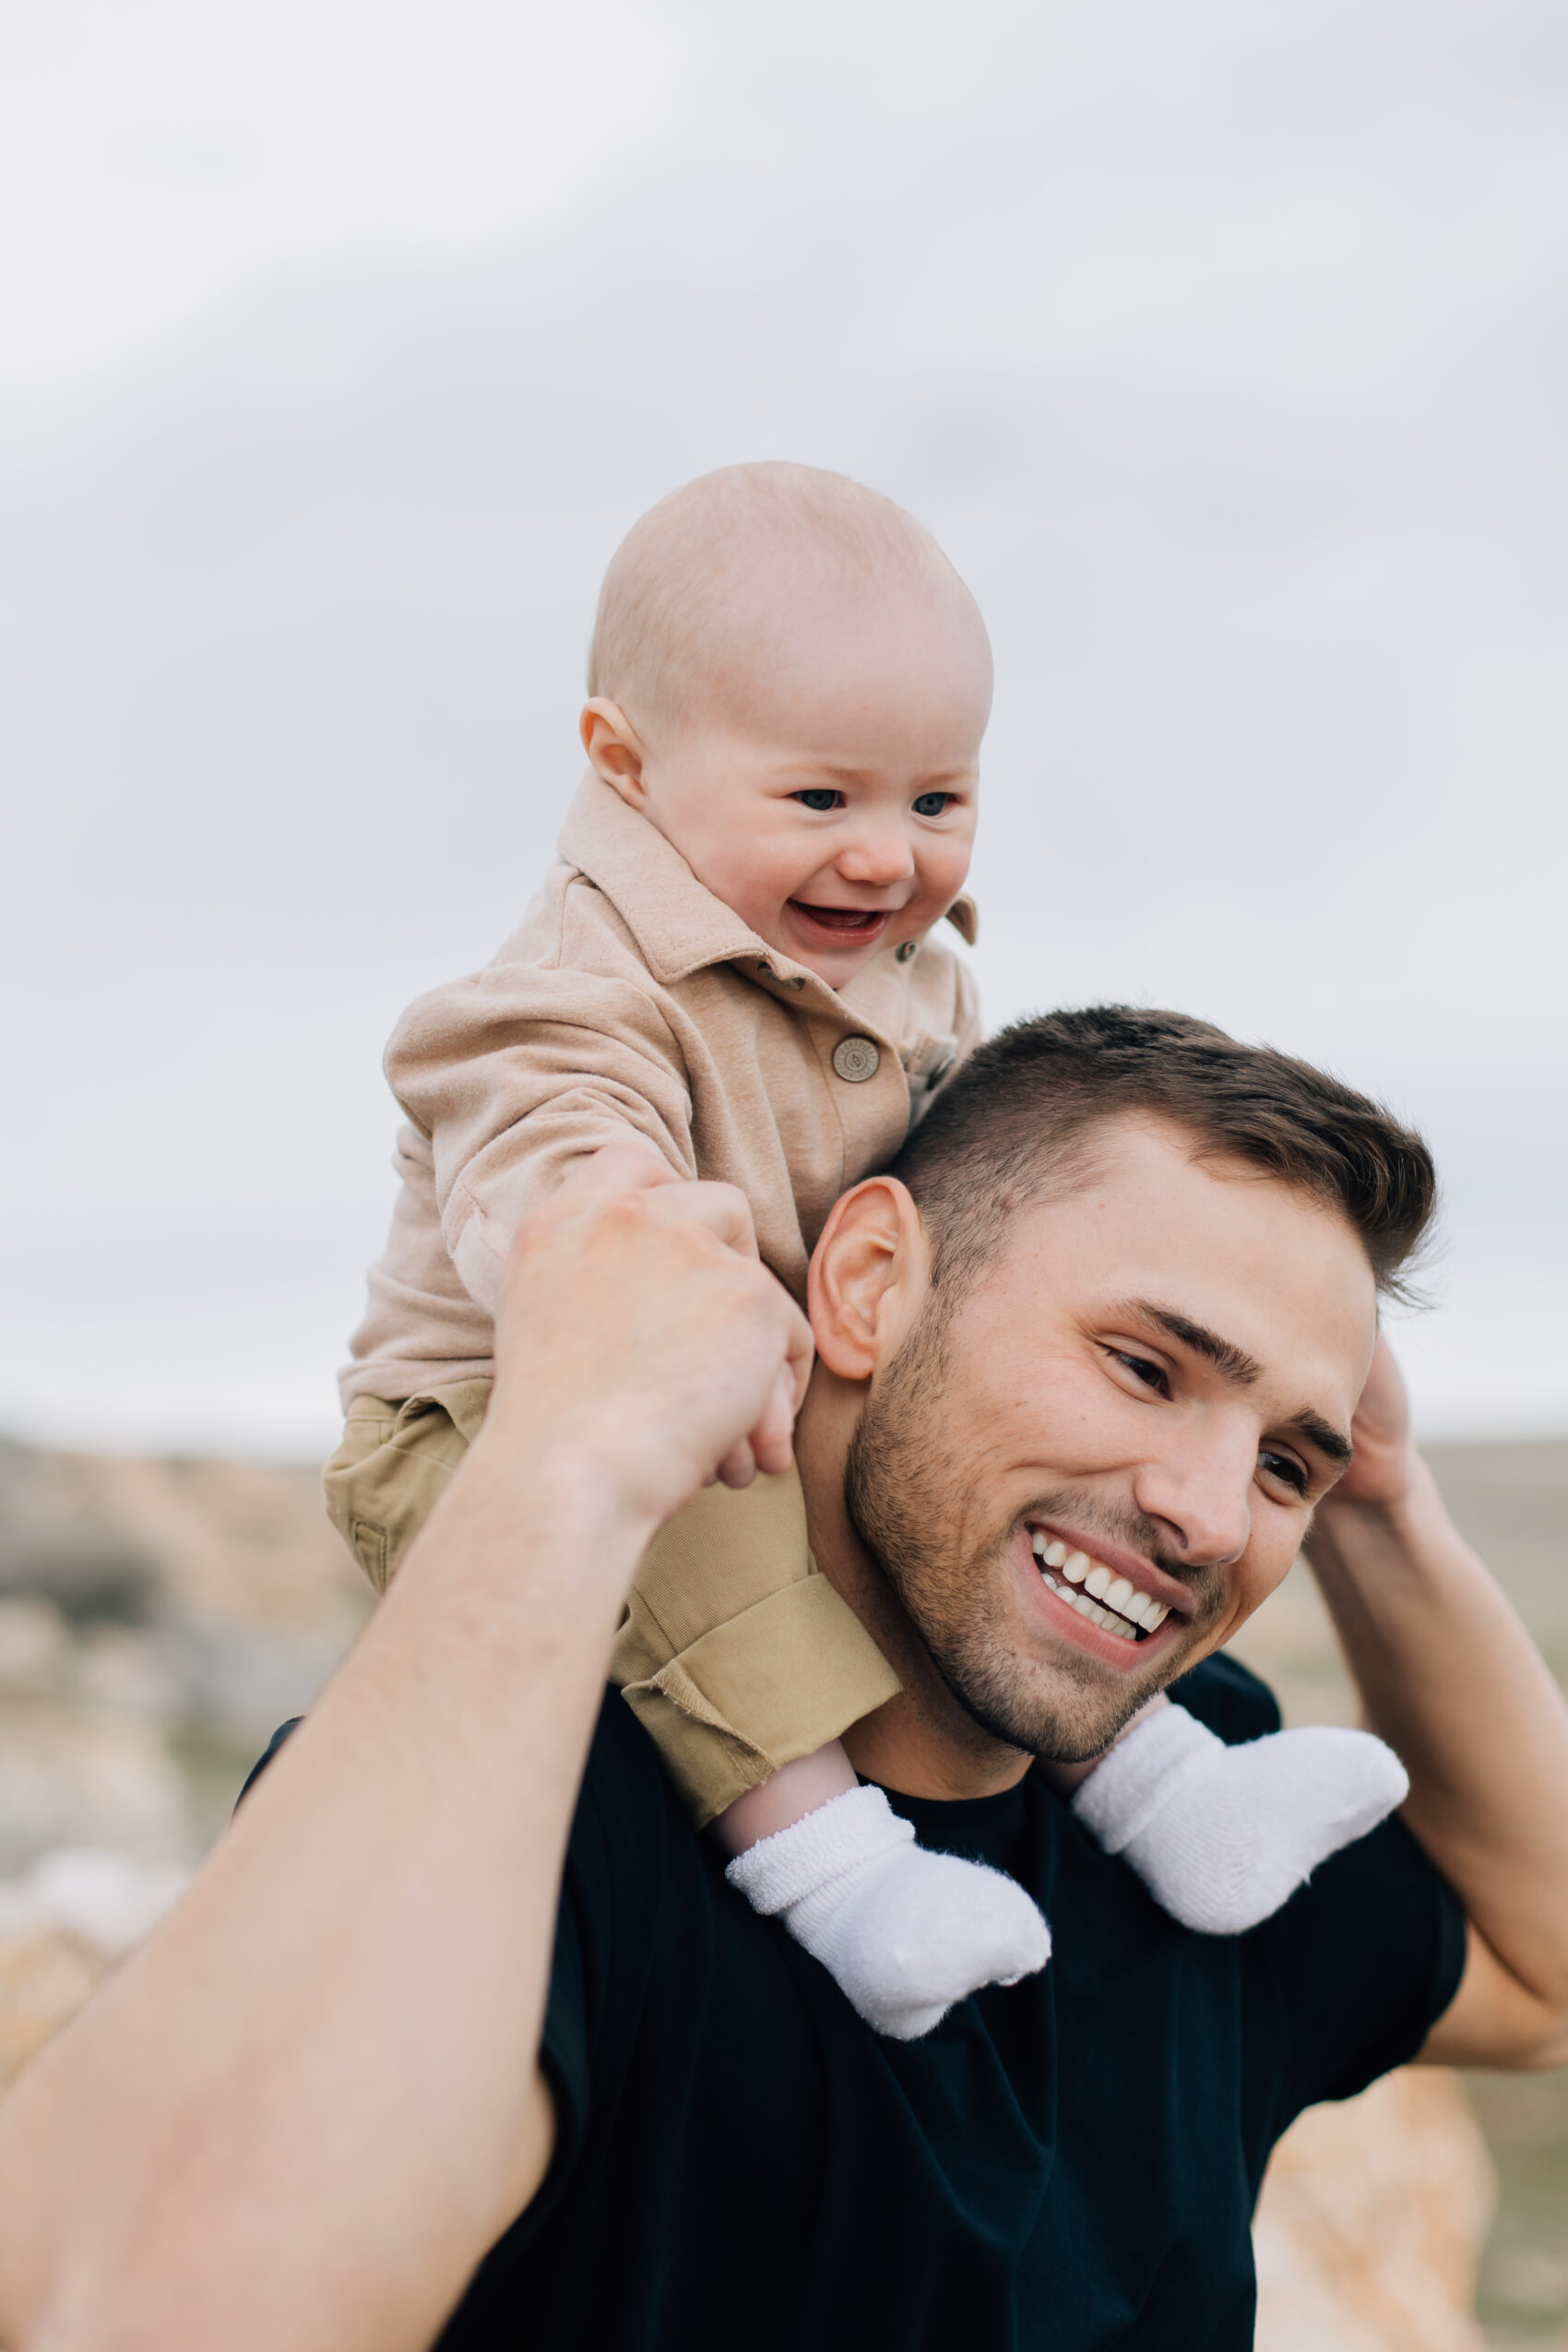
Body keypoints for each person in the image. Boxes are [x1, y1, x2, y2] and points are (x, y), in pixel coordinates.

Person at [3, 1006, 1565, 2352]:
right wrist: (571, 1446)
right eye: (1147, 1367)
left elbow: (1547, 1971)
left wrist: (1385, 1503)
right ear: (871, 1280)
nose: (1213, 1517)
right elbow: (144, 2301)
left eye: (1288, 1455)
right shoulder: (543, 1810)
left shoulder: (1183, 1819)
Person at [325, 461, 1400, 2035]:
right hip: (498, 1411)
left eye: (938, 802)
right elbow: (557, 1152)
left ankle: (1172, 1790)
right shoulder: (572, 987)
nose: (887, 858)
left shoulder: (907, 976)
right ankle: (833, 1869)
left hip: (751, 1388)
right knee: (705, 1531)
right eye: (822, 800)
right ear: (626, 767)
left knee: (1018, 1531)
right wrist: (635, 1235)